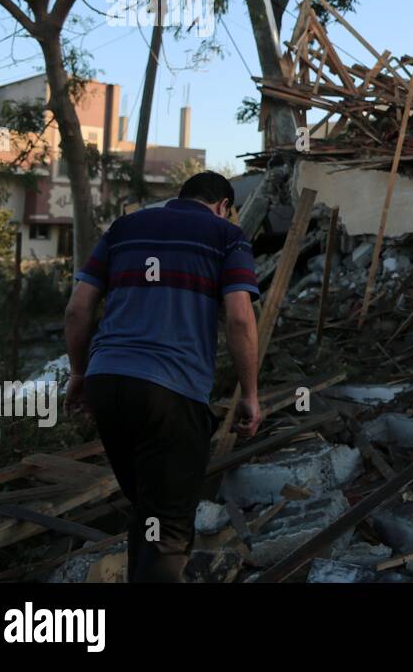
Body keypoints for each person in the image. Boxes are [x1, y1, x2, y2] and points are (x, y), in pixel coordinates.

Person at [64, 170, 262, 582]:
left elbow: (77, 309)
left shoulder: (124, 228)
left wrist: (79, 374)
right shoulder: (226, 235)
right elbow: (241, 319)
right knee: (168, 531)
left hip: (108, 383)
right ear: (225, 207)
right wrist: (251, 393)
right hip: (172, 393)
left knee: (148, 511)